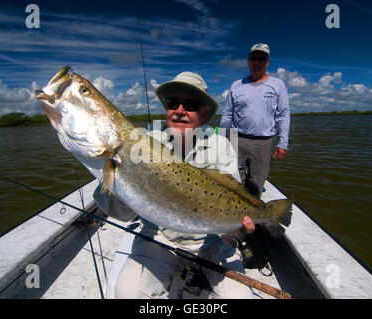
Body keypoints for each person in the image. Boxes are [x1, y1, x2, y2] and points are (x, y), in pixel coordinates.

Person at [93, 71, 255, 299]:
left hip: (211, 242)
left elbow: (233, 198)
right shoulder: (143, 145)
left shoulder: (222, 146)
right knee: (126, 293)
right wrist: (116, 179)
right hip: (158, 239)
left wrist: (238, 227)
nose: (179, 110)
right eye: (172, 102)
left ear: (204, 113)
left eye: (190, 104)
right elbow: (123, 213)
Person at [220, 43, 290, 198]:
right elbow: (227, 115)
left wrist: (282, 143)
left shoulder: (278, 85)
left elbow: (283, 115)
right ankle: (234, 216)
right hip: (237, 139)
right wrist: (221, 140)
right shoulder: (236, 86)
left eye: (261, 58)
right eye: (253, 58)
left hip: (264, 142)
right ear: (248, 61)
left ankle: (254, 216)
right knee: (232, 180)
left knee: (256, 182)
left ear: (267, 62)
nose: (257, 62)